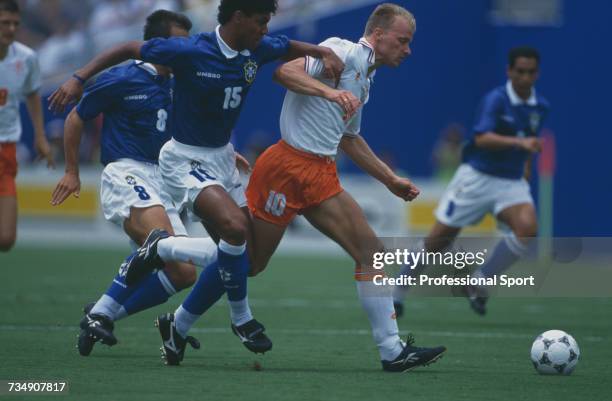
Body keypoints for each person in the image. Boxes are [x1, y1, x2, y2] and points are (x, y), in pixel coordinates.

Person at [153, 3, 446, 372]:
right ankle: (165, 256)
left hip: (319, 174)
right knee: (250, 262)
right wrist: (328, 93)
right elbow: (284, 72)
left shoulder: (365, 77)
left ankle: (392, 351)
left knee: (370, 252)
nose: (408, 50)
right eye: (402, 41)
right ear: (379, 35)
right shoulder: (342, 51)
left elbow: (349, 138)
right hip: (286, 169)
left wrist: (390, 179)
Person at [49, 0, 345, 365]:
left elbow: (286, 46)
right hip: (181, 159)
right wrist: (78, 79)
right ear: (238, 18)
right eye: (261, 21)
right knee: (234, 229)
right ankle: (241, 318)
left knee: (242, 260)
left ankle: (162, 320)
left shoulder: (256, 47)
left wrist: (321, 51)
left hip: (218, 156)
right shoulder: (190, 50)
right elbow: (127, 48)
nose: (266, 29)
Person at [51, 10, 219, 357]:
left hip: (164, 179)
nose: (183, 51)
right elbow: (76, 117)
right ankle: (100, 312)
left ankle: (103, 313)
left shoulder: (179, 83)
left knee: (183, 273)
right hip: (126, 171)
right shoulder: (122, 78)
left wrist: (224, 154)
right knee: (162, 243)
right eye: (178, 43)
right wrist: (71, 170)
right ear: (156, 45)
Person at [393, 46, 550, 316]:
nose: (525, 77)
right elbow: (481, 138)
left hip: (510, 182)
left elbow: (530, 142)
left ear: (537, 73)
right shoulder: (496, 100)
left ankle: (479, 281)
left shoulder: (540, 106)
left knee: (527, 228)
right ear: (509, 71)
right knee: (439, 240)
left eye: (531, 72)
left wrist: (525, 170)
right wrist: (520, 142)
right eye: (520, 71)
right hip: (477, 178)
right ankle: (398, 289)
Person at [0, 0, 53, 252]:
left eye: (15, 24)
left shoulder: (26, 58)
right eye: (4, 23)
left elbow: (33, 94)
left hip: (6, 151)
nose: (10, 29)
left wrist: (40, 137)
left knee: (6, 238)